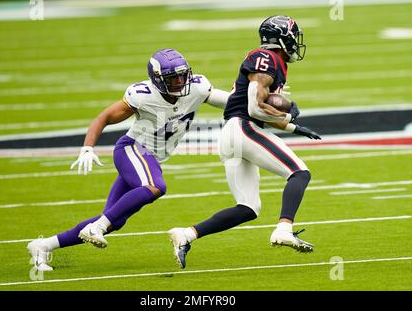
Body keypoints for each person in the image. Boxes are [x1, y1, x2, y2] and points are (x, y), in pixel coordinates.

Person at [27, 48, 230, 271]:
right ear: (157, 79)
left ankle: (43, 245)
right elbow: (103, 117)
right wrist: (87, 148)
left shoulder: (197, 87)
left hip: (150, 157)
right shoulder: (143, 95)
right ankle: (97, 227)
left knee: (115, 220)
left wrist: (249, 97)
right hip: (133, 149)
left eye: (183, 75)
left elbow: (227, 101)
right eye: (173, 78)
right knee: (155, 186)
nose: (180, 82)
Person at [168, 15, 322, 269]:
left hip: (232, 134)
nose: (296, 42)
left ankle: (186, 234)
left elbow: (257, 108)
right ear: (283, 38)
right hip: (243, 128)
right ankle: (284, 229)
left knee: (248, 208)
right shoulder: (267, 59)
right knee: (299, 173)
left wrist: (293, 127)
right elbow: (254, 109)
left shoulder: (273, 63)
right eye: (293, 36)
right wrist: (286, 113)